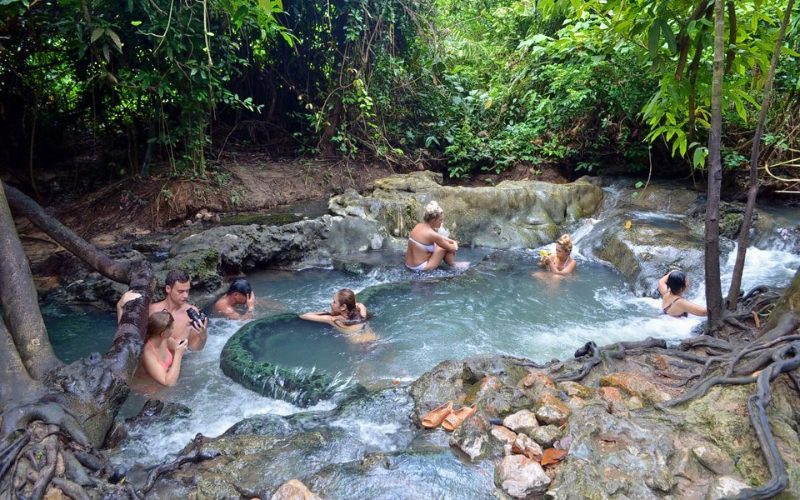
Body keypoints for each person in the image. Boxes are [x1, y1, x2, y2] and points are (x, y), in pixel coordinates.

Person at [149, 270, 208, 351]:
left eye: (187, 291)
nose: (185, 296)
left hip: (183, 359)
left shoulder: (191, 313)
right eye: (180, 291)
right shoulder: (153, 310)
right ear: (168, 289)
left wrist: (203, 337)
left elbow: (195, 348)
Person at [405, 200, 468, 272]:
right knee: (443, 247)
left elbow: (439, 237)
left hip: (408, 264)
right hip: (420, 268)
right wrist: (454, 244)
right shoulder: (432, 234)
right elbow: (452, 248)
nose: (442, 222)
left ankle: (452, 264)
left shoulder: (418, 226)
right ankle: (453, 265)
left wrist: (451, 240)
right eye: (440, 220)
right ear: (433, 220)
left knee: (440, 243)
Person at [300, 288, 376, 342]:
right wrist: (350, 306)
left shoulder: (334, 320)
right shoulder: (361, 314)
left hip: (361, 349)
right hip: (375, 340)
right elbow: (360, 304)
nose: (331, 303)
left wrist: (328, 313)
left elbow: (304, 315)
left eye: (334, 302)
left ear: (343, 307)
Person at [140, 311, 188, 386]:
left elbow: (178, 346)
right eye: (172, 328)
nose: (173, 330)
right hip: (152, 390)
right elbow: (168, 383)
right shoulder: (148, 354)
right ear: (163, 334)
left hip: (167, 380)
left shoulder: (164, 339)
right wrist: (178, 356)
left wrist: (188, 328)